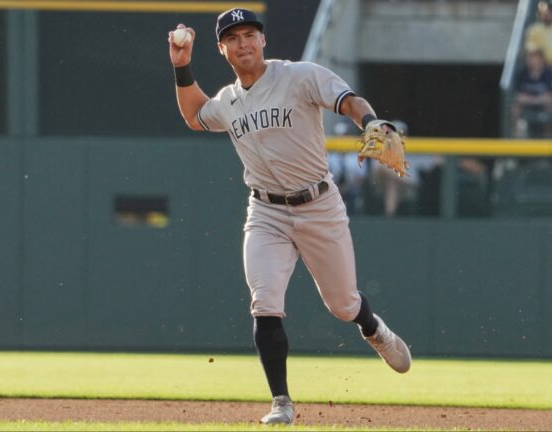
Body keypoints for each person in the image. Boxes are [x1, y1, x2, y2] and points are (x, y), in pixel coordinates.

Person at [166, 8, 411, 425]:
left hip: (319, 206)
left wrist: (370, 122)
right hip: (265, 212)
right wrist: (182, 65)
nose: (243, 42)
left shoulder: (299, 75)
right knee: (264, 303)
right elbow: (194, 115)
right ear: (221, 48)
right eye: (234, 37)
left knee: (342, 304)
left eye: (250, 34)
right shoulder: (228, 102)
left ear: (263, 40)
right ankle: (281, 402)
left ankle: (372, 327)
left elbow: (349, 100)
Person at [512, 48, 552, 138]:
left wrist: (531, 99)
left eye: (536, 58)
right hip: (527, 107)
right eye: (530, 58)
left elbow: (550, 97)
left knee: (550, 105)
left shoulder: (548, 73)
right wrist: (537, 99)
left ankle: (549, 137)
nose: (533, 61)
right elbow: (518, 96)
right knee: (516, 110)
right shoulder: (523, 73)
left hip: (543, 107)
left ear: (542, 59)